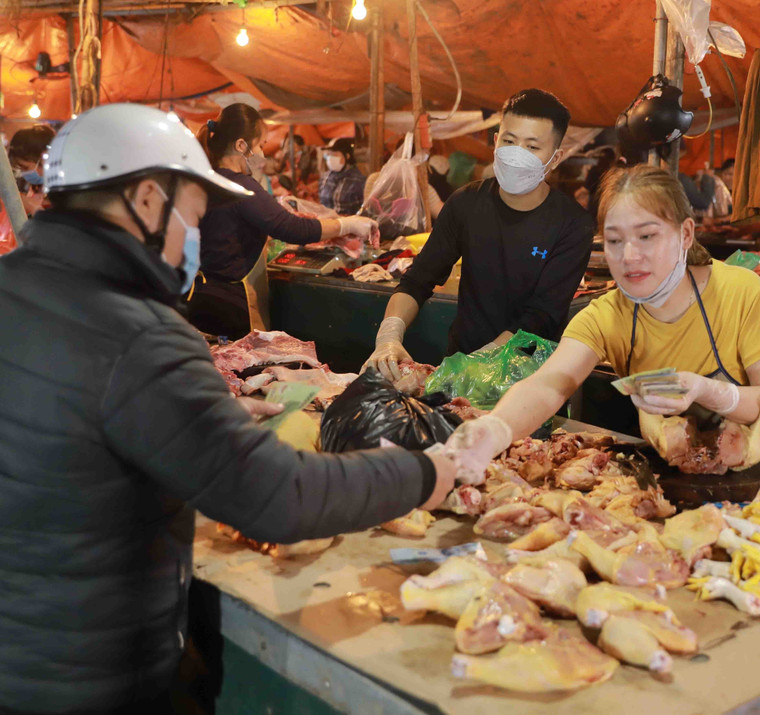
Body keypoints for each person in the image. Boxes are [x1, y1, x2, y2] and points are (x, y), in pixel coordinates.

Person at [0, 103, 454, 714]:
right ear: (146, 201)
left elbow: (62, 426)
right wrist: (428, 472)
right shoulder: (141, 336)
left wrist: (196, 421)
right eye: (192, 213)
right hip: (84, 675)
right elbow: (277, 498)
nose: (195, 233)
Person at [443, 164, 760, 482]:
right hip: (685, 485)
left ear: (686, 234)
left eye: (647, 236)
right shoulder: (606, 316)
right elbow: (548, 386)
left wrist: (711, 391)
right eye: (614, 241)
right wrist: (494, 429)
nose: (629, 256)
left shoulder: (742, 293)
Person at [364, 88, 595, 377]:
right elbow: (417, 280)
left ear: (556, 157)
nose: (517, 154)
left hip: (531, 371)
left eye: (533, 147)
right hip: (462, 356)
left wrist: (482, 362)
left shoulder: (573, 224)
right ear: (496, 141)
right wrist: (389, 336)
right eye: (510, 141)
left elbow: (543, 317)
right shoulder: (465, 203)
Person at [187, 104, 378, 340]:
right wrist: (347, 224)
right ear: (240, 145)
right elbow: (292, 229)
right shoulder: (240, 188)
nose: (263, 154)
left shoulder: (205, 180)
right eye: (260, 145)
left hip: (200, 297)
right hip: (230, 305)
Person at [7, 124, 56, 216]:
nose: (23, 173)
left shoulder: (68, 192)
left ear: (44, 157)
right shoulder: (37, 190)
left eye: (25, 167)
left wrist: (33, 208)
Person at [319, 137, 367, 215]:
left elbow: (362, 210)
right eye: (329, 155)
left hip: (348, 225)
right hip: (326, 223)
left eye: (334, 154)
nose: (330, 158)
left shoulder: (358, 180)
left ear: (347, 156)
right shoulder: (325, 177)